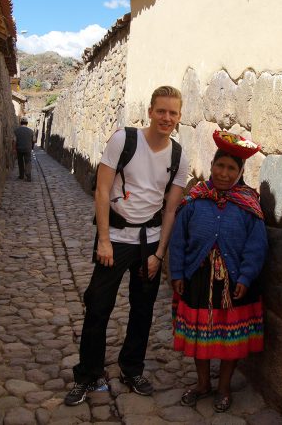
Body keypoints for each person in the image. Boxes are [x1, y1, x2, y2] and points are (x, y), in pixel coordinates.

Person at [65, 86, 189, 406]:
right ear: (150, 111)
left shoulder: (178, 156)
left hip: (149, 243)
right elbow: (102, 191)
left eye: (173, 113)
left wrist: (159, 254)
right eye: (161, 111)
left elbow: (171, 209)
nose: (166, 118)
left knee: (143, 310)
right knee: (98, 306)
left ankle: (131, 369)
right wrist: (104, 240)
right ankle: (88, 374)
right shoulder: (124, 140)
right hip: (116, 240)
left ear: (179, 117)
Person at [169, 130, 268, 413]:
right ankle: (203, 383)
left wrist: (247, 276)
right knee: (200, 335)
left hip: (234, 281)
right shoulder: (195, 199)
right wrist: (177, 273)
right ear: (211, 166)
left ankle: (223, 386)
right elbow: (179, 240)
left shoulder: (248, 203)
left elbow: (257, 246)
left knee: (229, 339)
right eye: (220, 166)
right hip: (197, 278)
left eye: (231, 168)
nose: (224, 173)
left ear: (240, 172)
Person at [13, 117, 34, 181]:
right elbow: (34, 140)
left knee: (20, 162)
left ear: (20, 123)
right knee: (28, 162)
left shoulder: (16, 131)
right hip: (28, 149)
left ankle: (21, 176)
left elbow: (14, 140)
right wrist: (32, 147)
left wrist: (14, 149)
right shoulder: (31, 131)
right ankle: (28, 177)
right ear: (27, 123)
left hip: (19, 148)